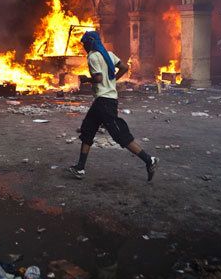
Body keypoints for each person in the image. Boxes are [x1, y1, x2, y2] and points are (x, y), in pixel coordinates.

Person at [68, 31, 159, 181]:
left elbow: (98, 78)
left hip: (105, 101)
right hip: (103, 100)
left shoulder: (92, 56)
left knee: (119, 134)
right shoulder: (109, 54)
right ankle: (80, 168)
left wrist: (86, 80)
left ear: (90, 43)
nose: (84, 46)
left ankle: (150, 160)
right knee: (88, 130)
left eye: (85, 43)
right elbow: (124, 67)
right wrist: (112, 81)